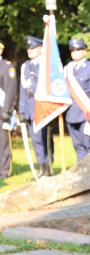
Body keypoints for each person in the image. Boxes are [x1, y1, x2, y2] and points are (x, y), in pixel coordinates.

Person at [19, 36, 53, 177]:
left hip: (44, 107)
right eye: (28, 48)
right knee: (36, 139)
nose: (29, 51)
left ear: (40, 49)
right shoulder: (25, 66)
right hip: (30, 107)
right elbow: (23, 89)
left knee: (46, 138)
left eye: (32, 48)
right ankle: (42, 167)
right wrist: (22, 110)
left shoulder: (47, 65)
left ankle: (49, 165)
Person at [64, 38, 90, 161]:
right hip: (71, 113)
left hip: (86, 114)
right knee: (78, 147)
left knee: (89, 146)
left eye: (78, 49)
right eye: (72, 50)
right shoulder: (67, 69)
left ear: (85, 51)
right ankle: (81, 173)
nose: (75, 52)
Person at [0, 39, 18, 179]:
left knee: (3, 143)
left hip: (2, 111)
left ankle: (5, 171)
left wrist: (7, 110)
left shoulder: (6, 67)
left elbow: (10, 89)